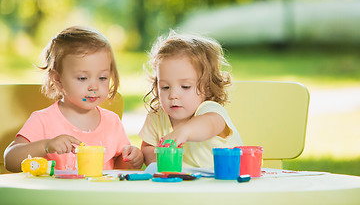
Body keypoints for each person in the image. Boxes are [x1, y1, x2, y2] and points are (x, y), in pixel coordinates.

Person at [4, 26, 143, 172]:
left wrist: (131, 159)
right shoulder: (43, 120)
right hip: (55, 195)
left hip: (99, 195)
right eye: (82, 78)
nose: (94, 86)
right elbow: (10, 160)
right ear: (57, 79)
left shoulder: (112, 122)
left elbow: (120, 168)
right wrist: (46, 146)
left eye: (102, 78)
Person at [139, 31, 243, 168]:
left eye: (185, 86)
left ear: (207, 87)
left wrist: (184, 132)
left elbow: (210, 124)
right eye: (165, 87)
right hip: (181, 185)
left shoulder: (210, 110)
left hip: (222, 183)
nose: (173, 95)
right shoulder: (157, 116)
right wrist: (159, 161)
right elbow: (147, 147)